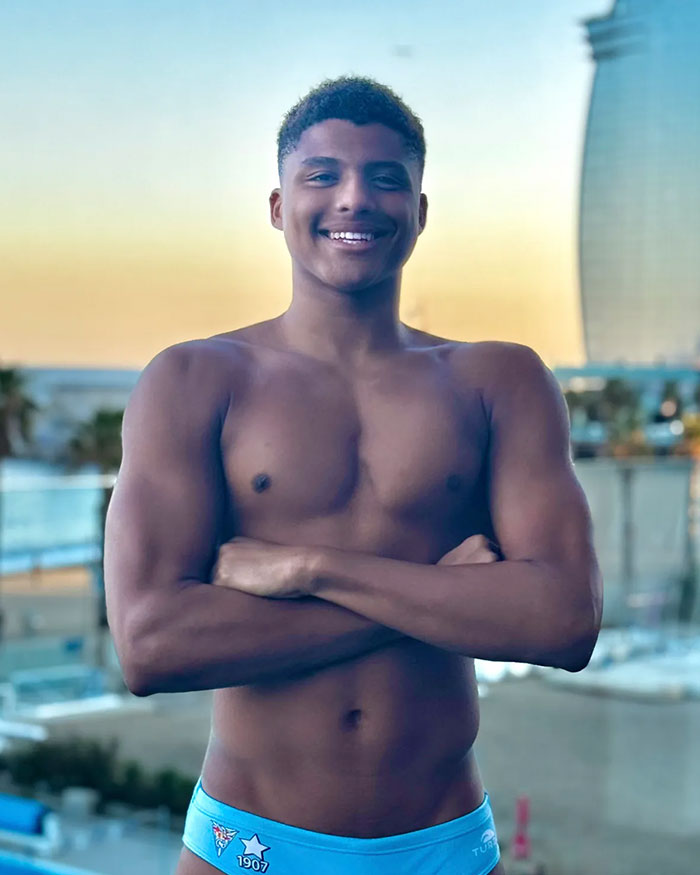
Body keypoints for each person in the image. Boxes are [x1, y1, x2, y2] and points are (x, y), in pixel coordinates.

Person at [104, 76, 603, 875]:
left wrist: (309, 569)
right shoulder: (196, 380)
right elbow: (151, 645)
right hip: (249, 844)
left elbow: (564, 622)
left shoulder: (497, 381)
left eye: (385, 178)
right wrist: (440, 593)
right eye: (322, 175)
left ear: (420, 210)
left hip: (440, 846)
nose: (354, 199)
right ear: (277, 205)